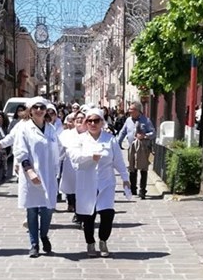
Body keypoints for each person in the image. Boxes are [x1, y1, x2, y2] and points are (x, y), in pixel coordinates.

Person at [72, 107, 131, 258]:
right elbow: (74, 158)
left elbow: (118, 160)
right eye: (89, 120)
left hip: (106, 182)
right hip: (87, 182)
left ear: (102, 122)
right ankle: (90, 243)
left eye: (96, 120)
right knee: (88, 215)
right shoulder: (80, 139)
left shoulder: (109, 139)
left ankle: (103, 240)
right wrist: (90, 156)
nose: (93, 123)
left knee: (107, 214)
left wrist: (125, 178)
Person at [13, 97, 60, 258]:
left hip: (48, 175)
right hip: (31, 175)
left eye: (42, 107)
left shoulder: (51, 129)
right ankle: (34, 244)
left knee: (48, 209)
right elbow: (20, 151)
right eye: (36, 107)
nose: (39, 110)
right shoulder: (24, 128)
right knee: (32, 210)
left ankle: (44, 234)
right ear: (30, 111)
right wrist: (29, 170)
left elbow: (58, 150)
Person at [117, 101, 155, 199]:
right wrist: (117, 143)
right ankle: (133, 189)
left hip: (143, 148)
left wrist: (145, 136)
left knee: (143, 169)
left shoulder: (146, 121)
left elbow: (153, 133)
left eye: (132, 110)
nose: (129, 111)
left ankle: (143, 191)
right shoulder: (128, 120)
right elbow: (123, 132)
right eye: (129, 110)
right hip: (132, 147)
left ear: (138, 111)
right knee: (132, 168)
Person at [59, 109, 87, 219]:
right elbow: (59, 150)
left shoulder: (89, 134)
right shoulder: (66, 134)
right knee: (72, 189)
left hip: (85, 167)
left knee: (83, 190)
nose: (80, 120)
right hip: (69, 166)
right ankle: (76, 209)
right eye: (77, 119)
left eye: (82, 118)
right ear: (74, 121)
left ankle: (80, 213)